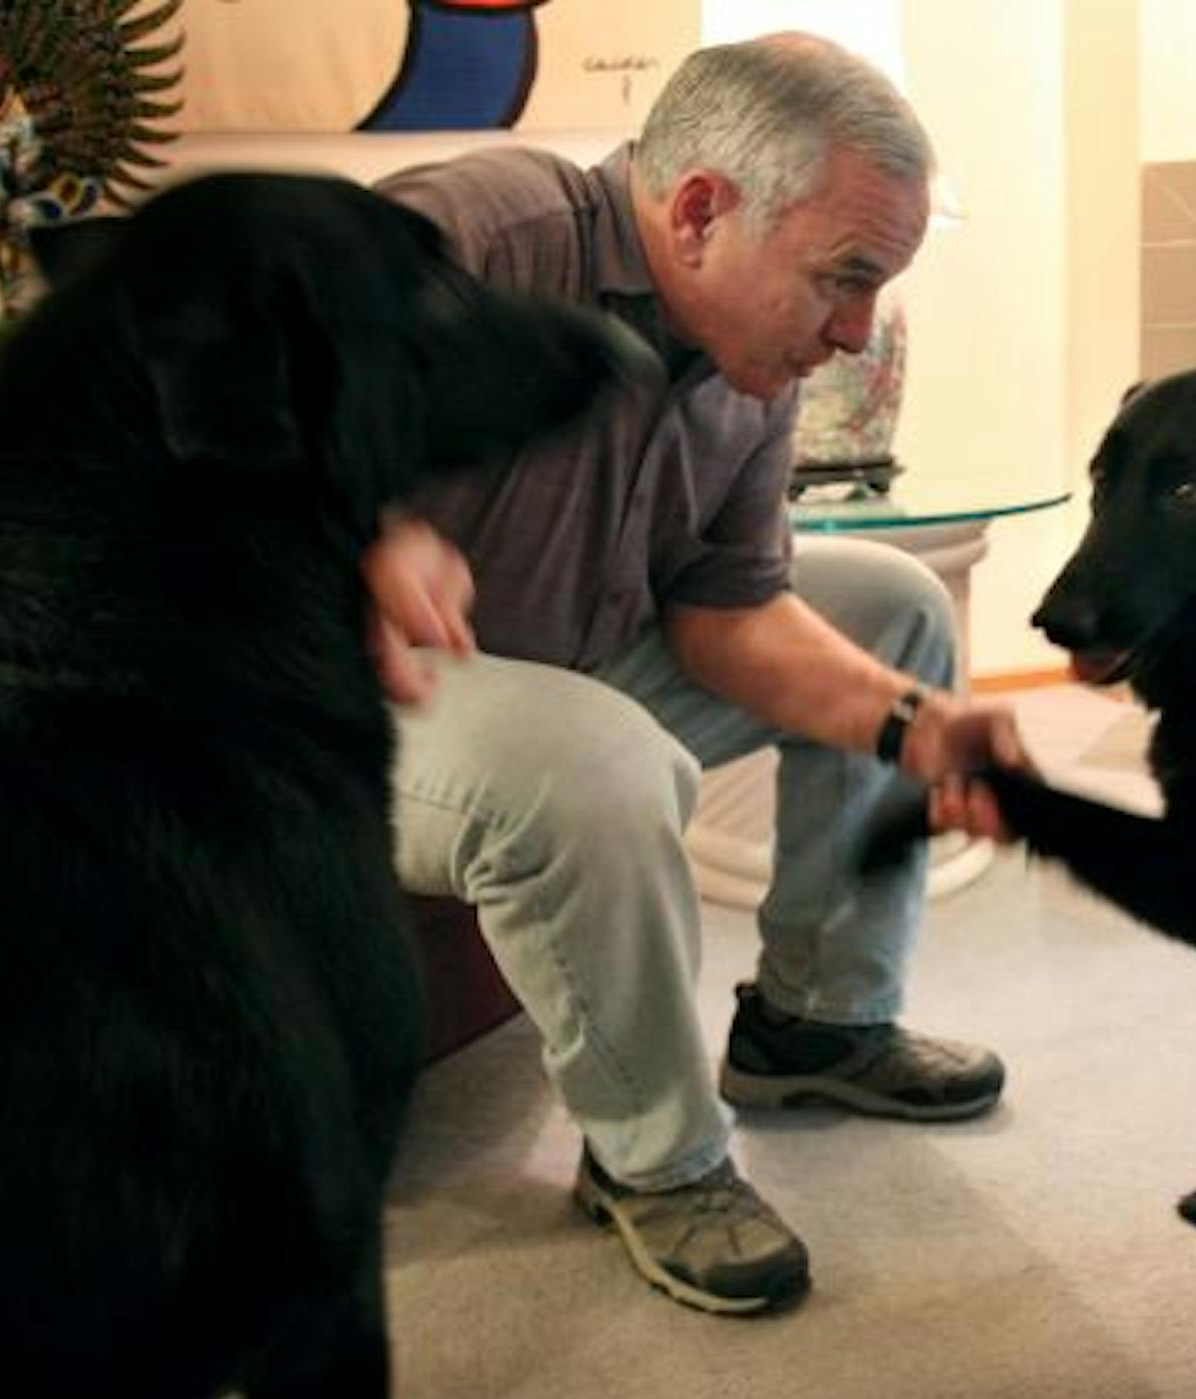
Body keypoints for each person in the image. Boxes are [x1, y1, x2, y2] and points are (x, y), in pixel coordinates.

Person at [364, 31, 1026, 1316]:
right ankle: (655, 1159)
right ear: (702, 211)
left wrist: (918, 726)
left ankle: (816, 1023)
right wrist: (364, 525)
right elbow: (188, 355)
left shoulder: (747, 365)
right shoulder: (486, 234)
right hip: (330, 700)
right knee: (589, 756)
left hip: (552, 661)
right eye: (843, 278)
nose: (856, 333)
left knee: (889, 610)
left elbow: (729, 614)